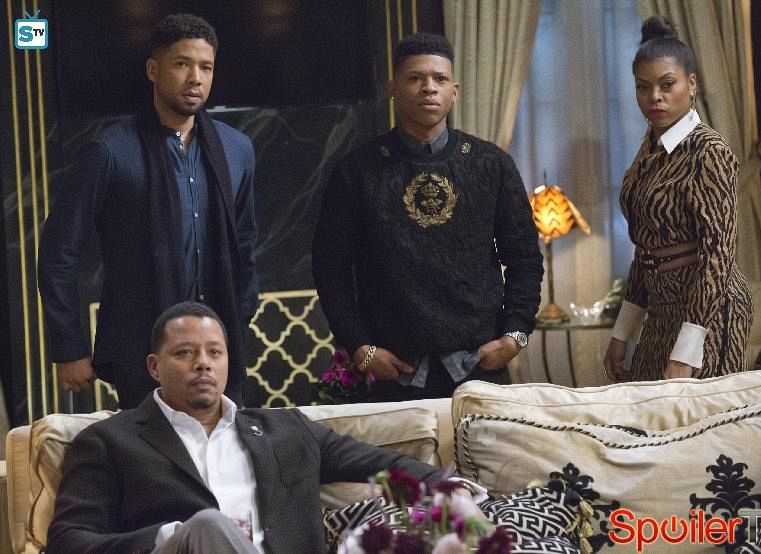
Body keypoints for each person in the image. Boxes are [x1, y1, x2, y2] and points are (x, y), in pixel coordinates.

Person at [46, 302, 450, 553]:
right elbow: (67, 541)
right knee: (208, 524)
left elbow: (383, 464)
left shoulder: (286, 430)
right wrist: (169, 537)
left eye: (214, 352)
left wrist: (455, 490)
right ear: (154, 367)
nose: (203, 364)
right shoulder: (109, 441)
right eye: (184, 353)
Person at [38, 14, 258, 408]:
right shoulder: (110, 152)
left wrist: (240, 317)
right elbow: (59, 252)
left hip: (218, 348)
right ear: (153, 70)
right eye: (182, 64)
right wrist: (69, 347)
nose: (195, 78)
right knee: (151, 449)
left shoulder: (236, 149)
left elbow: (245, 243)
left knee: (224, 446)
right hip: (141, 350)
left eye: (206, 67)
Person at [312, 33, 543, 401]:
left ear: (455, 91)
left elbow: (525, 258)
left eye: (439, 78)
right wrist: (359, 347)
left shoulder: (491, 164)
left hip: (480, 364)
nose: (429, 88)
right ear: (393, 89)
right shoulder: (356, 171)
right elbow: (331, 268)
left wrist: (515, 335)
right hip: (393, 371)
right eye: (415, 78)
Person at [604, 16, 752, 382]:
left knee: (695, 414)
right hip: (661, 308)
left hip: (710, 312)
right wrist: (622, 332)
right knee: (647, 407)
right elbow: (646, 248)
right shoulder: (649, 149)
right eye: (643, 87)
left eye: (667, 84)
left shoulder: (709, 151)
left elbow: (718, 255)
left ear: (692, 84)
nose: (654, 96)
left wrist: (687, 350)